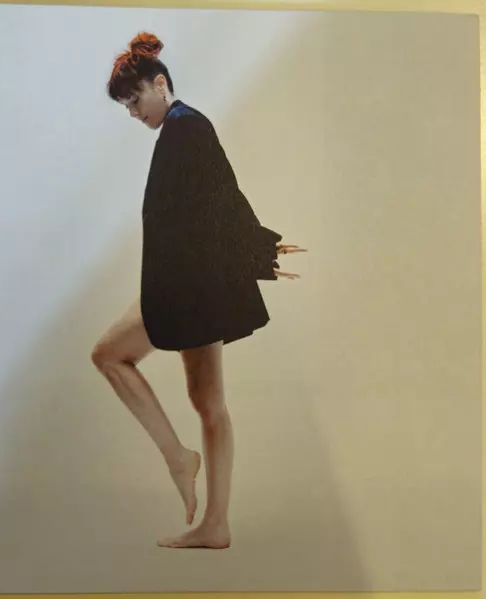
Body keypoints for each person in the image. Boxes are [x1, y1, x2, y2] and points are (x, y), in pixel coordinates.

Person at [91, 32, 307, 549]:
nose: (132, 113)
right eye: (125, 106)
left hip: (187, 287)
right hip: (189, 282)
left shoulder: (185, 127)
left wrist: (259, 250)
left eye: (135, 100)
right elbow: (211, 201)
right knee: (207, 402)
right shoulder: (181, 127)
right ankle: (215, 522)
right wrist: (256, 250)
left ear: (159, 84)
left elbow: (221, 196)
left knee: (110, 356)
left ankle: (180, 461)